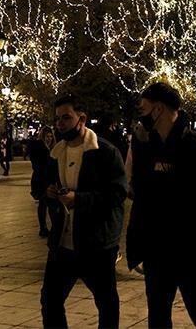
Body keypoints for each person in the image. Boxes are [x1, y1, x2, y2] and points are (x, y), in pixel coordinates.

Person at [125, 82, 196, 328]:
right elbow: (140, 191)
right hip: (157, 251)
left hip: (191, 254)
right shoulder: (148, 145)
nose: (140, 116)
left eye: (143, 108)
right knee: (158, 316)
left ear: (158, 109)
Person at [40, 95, 127, 329]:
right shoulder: (56, 153)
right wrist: (50, 194)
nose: (60, 123)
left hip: (96, 243)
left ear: (82, 118)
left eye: (66, 117)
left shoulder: (105, 152)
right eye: (57, 119)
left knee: (106, 302)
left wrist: (78, 199)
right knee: (50, 300)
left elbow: (117, 194)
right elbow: (44, 188)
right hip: (62, 242)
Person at [28, 127, 56, 237]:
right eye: (46, 137)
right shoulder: (39, 148)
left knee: (47, 204)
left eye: (50, 136)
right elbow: (37, 165)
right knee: (44, 203)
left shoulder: (53, 148)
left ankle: (47, 227)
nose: (49, 139)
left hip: (49, 178)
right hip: (41, 179)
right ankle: (43, 227)